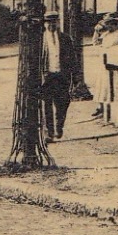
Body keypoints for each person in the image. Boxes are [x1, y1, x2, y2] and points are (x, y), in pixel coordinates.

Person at [40, 13, 71, 141]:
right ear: (44, 24)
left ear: (58, 23)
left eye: (54, 22)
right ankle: (49, 132)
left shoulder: (65, 38)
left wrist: (76, 78)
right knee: (46, 105)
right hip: (47, 77)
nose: (51, 25)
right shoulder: (40, 40)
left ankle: (59, 127)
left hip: (62, 76)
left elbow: (72, 59)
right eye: (48, 22)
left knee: (63, 103)